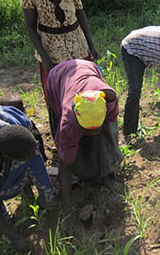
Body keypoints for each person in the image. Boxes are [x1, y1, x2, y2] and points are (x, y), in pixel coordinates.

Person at [46, 59, 123, 232]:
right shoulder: (69, 120)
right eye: (86, 130)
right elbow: (63, 169)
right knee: (70, 149)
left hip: (87, 68)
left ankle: (105, 174)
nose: (92, 133)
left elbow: (107, 125)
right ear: (77, 123)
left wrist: (114, 148)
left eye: (96, 128)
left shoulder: (107, 100)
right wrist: (69, 212)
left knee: (102, 139)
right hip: (58, 77)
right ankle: (81, 173)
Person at [21, 0, 99, 104]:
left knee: (84, 91)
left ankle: (87, 125)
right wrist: (44, 56)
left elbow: (80, 15)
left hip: (78, 47)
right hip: (51, 50)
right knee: (58, 96)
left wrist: (91, 45)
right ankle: (61, 126)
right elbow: (30, 26)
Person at [0, 104, 53, 251]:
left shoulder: (14, 122)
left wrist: (48, 203)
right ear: (8, 158)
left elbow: (36, 163)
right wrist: (13, 236)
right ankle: (5, 227)